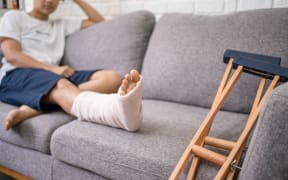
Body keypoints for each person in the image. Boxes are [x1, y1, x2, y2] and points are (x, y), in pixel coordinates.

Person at [0, 0, 143, 131]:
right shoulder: (13, 17)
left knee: (112, 78)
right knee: (62, 84)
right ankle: (118, 116)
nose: (49, 1)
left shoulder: (61, 24)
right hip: (17, 74)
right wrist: (52, 68)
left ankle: (34, 108)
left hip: (52, 75)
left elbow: (100, 23)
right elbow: (12, 56)